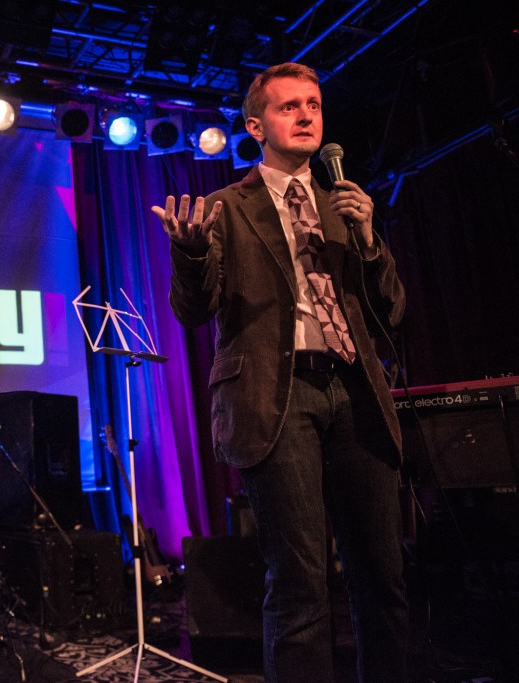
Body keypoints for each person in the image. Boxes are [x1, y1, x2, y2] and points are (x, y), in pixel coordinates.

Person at [153, 62, 408, 682]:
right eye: (289, 106)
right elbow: (194, 311)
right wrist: (189, 252)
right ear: (255, 125)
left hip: (354, 390)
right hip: (277, 396)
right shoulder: (224, 207)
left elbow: (392, 312)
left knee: (384, 577)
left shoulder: (345, 204)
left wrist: (370, 241)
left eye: (314, 105)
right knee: (299, 584)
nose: (305, 115)